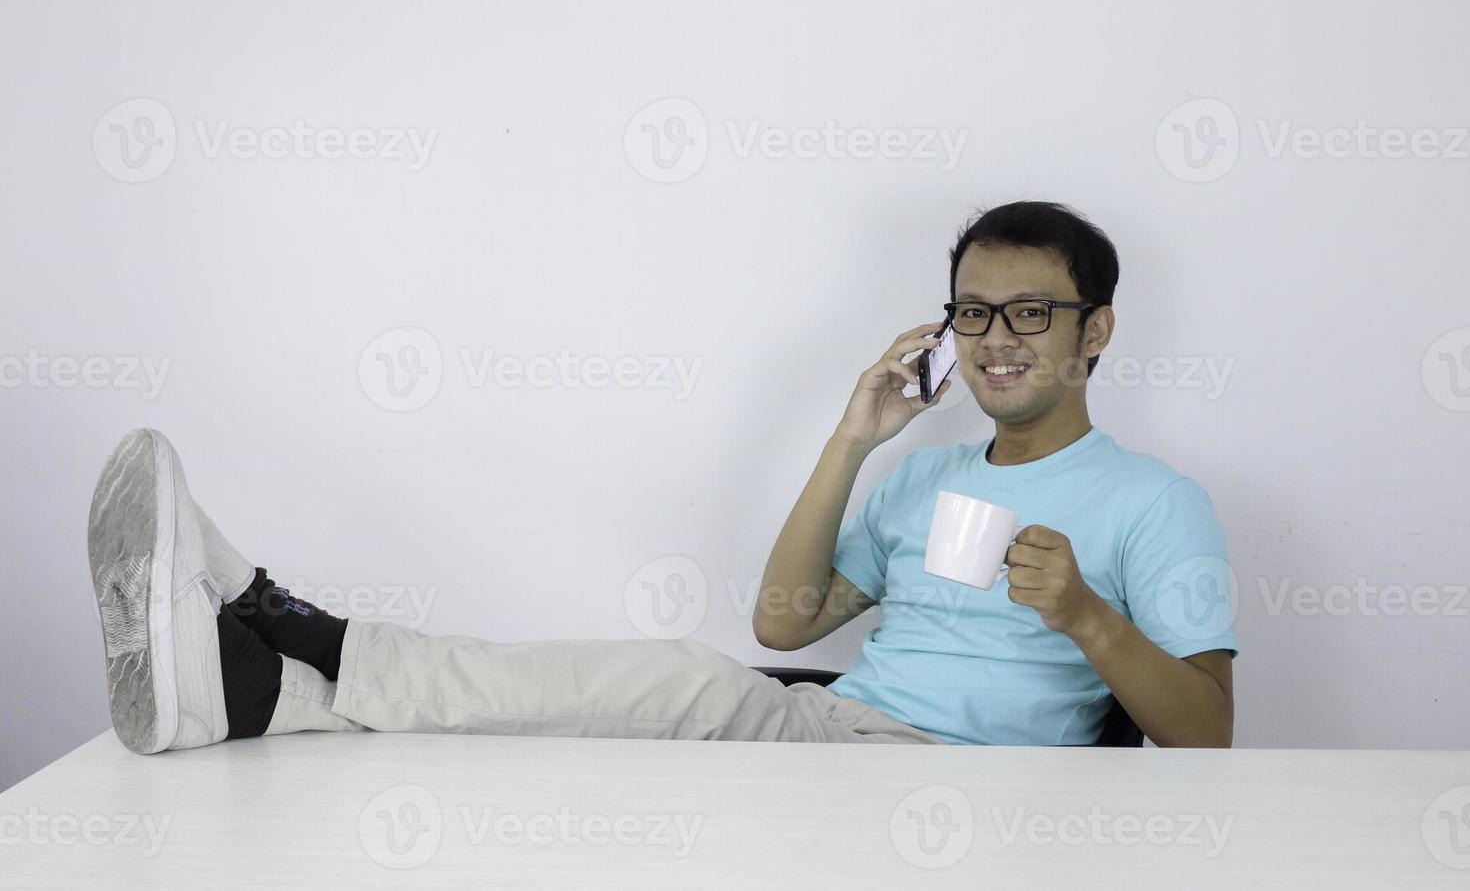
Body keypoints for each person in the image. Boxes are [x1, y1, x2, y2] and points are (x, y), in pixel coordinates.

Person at [85, 200, 1236, 755]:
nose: (996, 337)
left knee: (677, 679)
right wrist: (853, 438)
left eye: (1031, 312)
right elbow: (785, 618)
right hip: (835, 736)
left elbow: (1208, 737)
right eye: (973, 311)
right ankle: (269, 687)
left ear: (1097, 333)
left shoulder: (1155, 502)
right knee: (597, 707)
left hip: (954, 783)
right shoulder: (914, 484)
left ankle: (295, 632)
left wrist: (1086, 613)